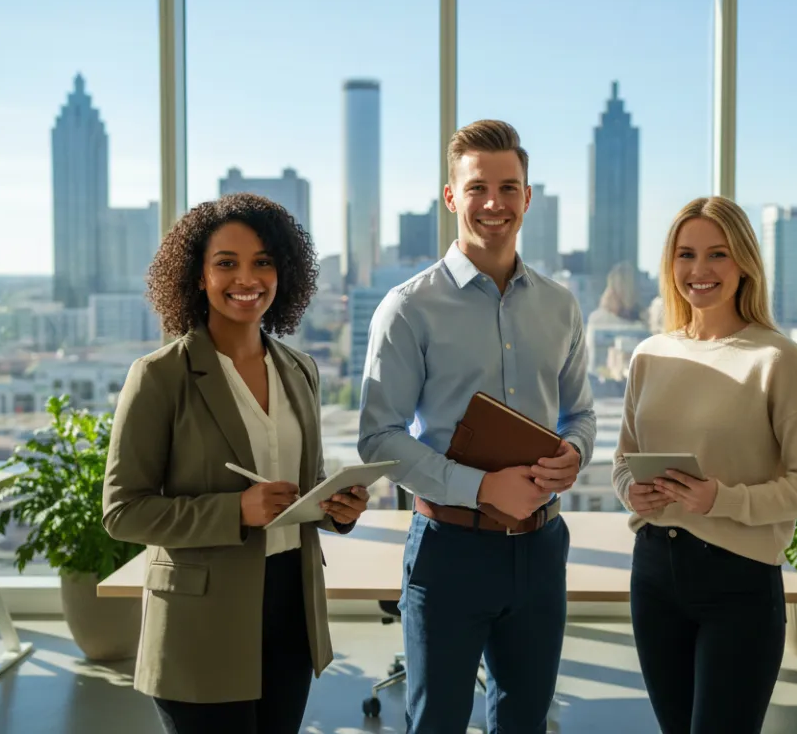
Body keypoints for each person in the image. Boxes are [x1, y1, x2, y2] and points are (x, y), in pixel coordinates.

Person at [358, 119, 596, 733]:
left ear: (528, 196)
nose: (494, 203)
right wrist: (481, 488)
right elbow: (379, 438)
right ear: (450, 197)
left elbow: (582, 414)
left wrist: (575, 451)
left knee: (526, 723)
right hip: (449, 553)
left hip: (541, 549)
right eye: (477, 188)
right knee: (436, 723)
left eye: (509, 187)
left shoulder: (560, 304)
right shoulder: (408, 307)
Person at [102, 193, 370, 734]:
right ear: (198, 276)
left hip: (290, 607)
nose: (246, 278)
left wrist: (334, 506)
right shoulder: (159, 377)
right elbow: (123, 512)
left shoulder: (300, 370)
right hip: (201, 621)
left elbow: (300, 488)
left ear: (283, 273)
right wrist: (235, 511)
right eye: (226, 263)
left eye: (263, 262)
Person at [612, 196, 797, 734]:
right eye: (686, 255)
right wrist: (630, 491)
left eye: (718, 254)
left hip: (738, 584)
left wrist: (723, 499)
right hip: (653, 576)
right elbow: (623, 460)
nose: (700, 270)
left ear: (745, 264)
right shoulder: (650, 354)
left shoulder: (776, 359)